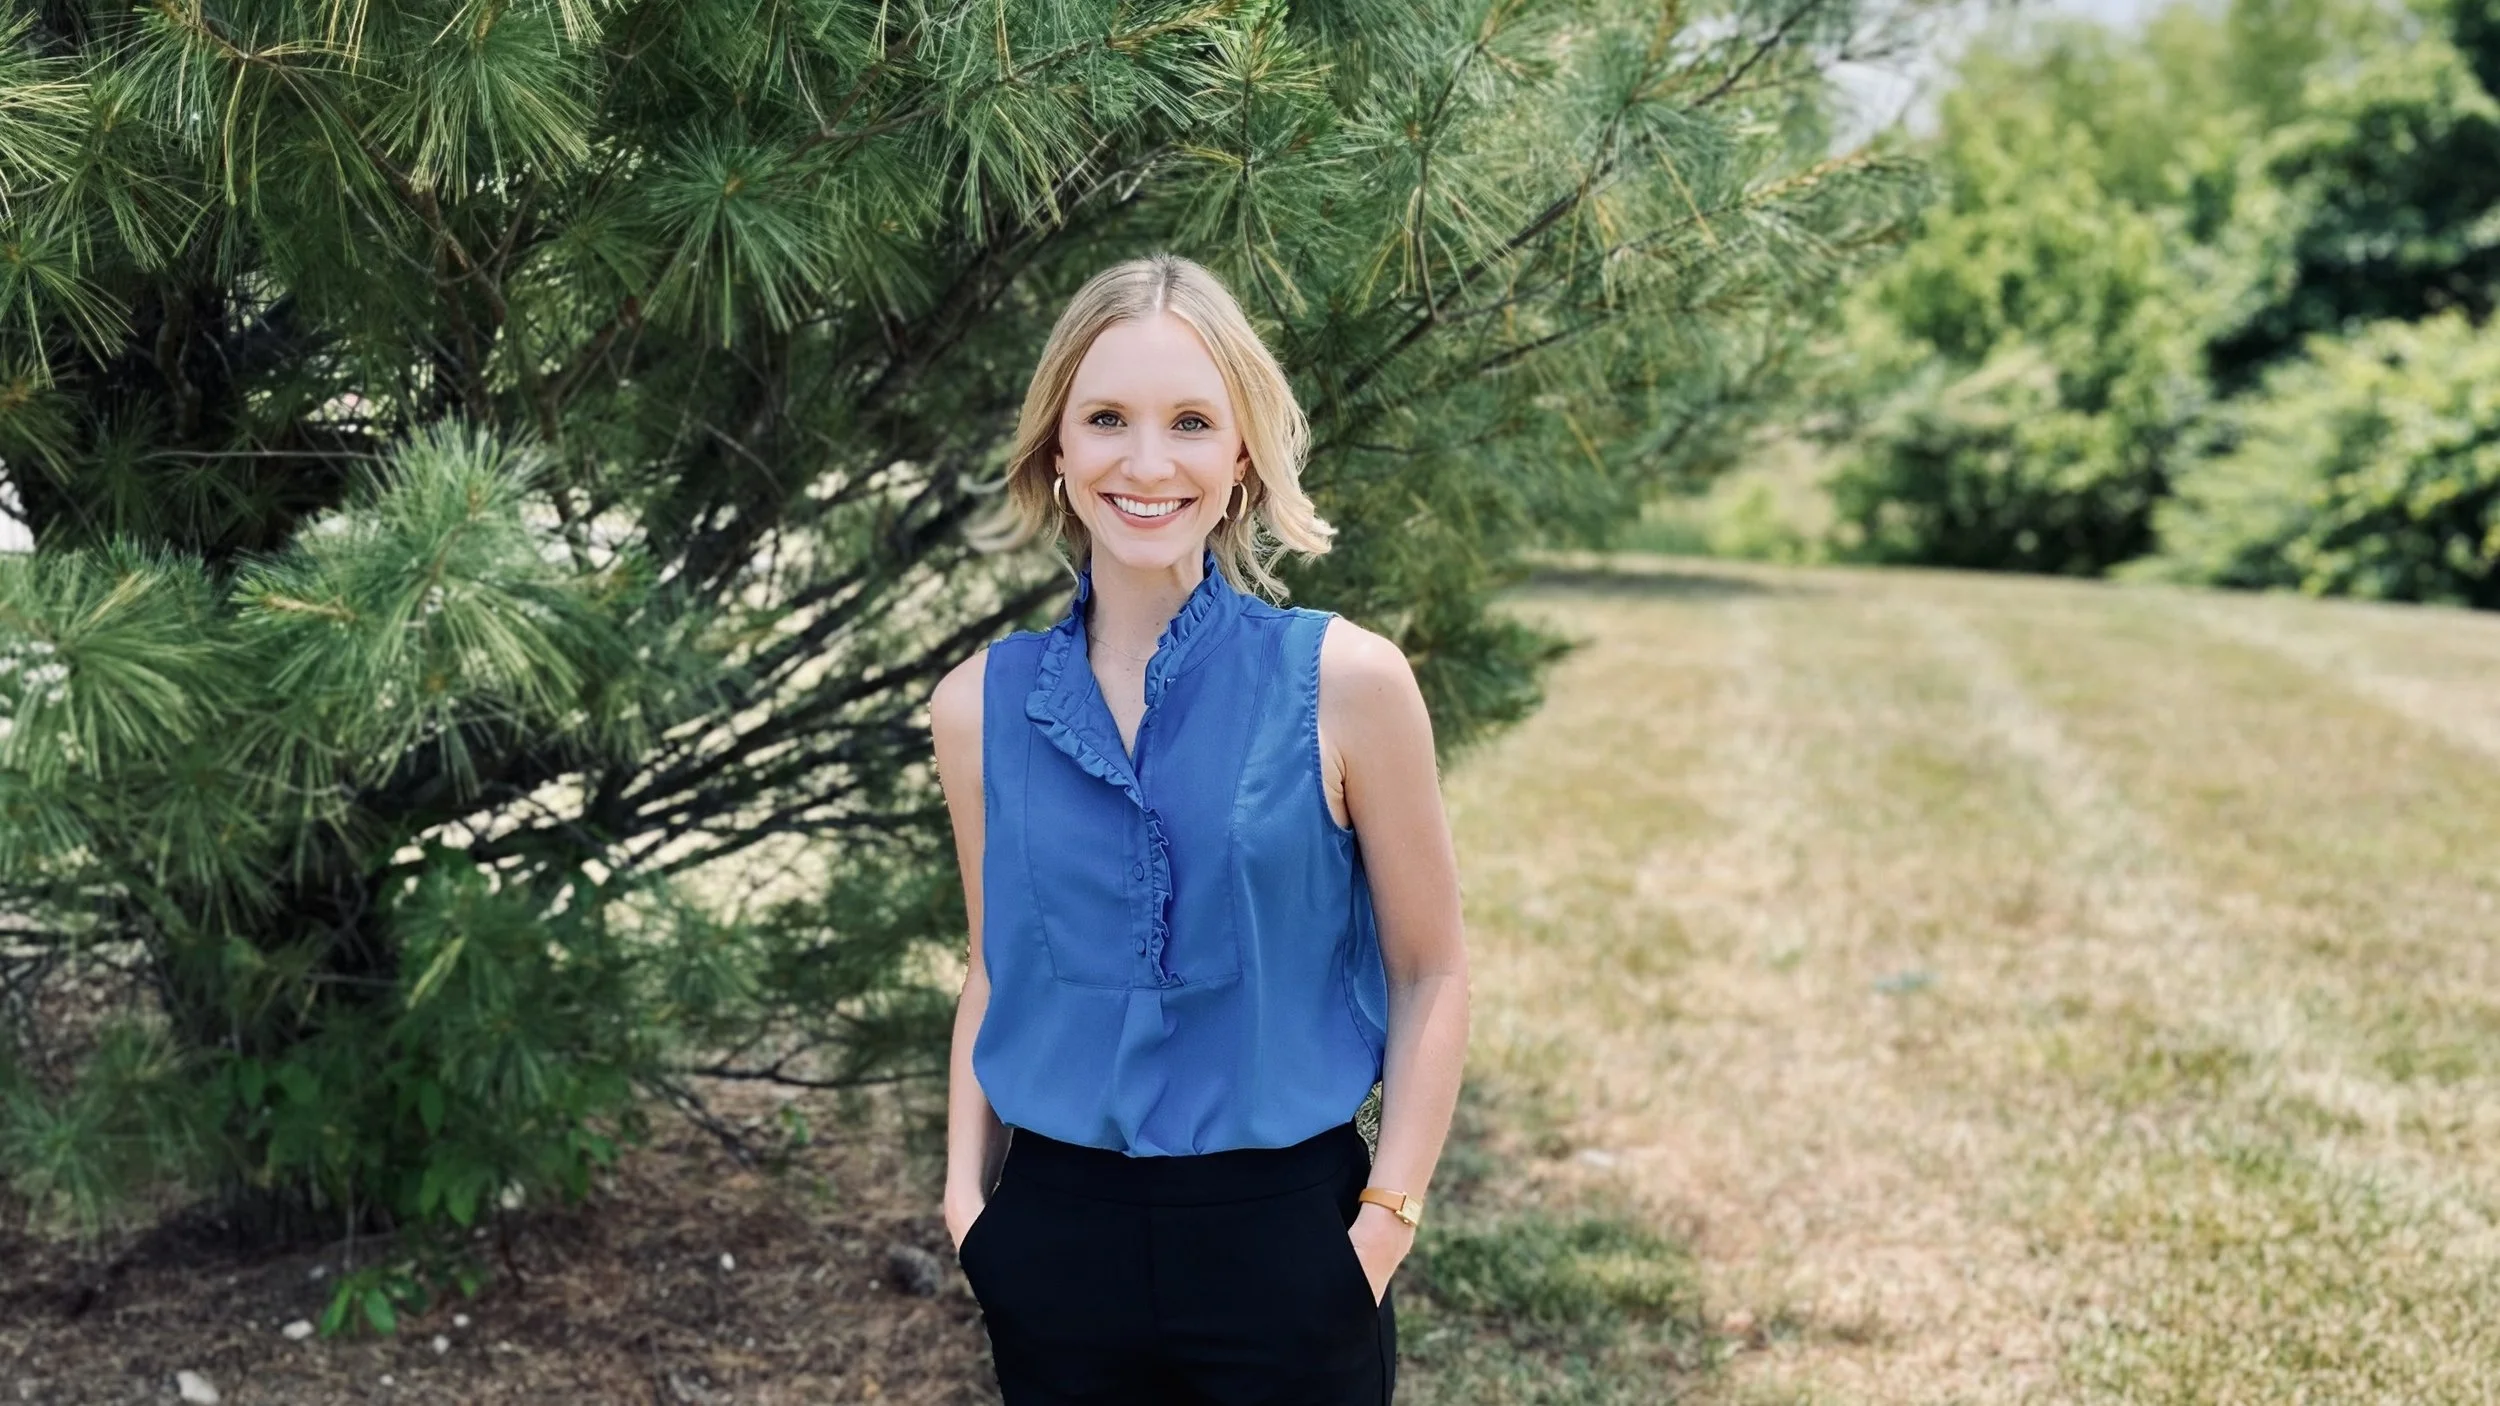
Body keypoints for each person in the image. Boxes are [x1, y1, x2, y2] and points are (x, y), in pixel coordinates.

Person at [924, 252, 1472, 1405]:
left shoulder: (1346, 682)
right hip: (1054, 1241)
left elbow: (1431, 968)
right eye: (1107, 417)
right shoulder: (976, 705)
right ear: (1058, 449)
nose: (1146, 460)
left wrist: (1383, 1225)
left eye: (1189, 420)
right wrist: (967, 1206)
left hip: (1287, 1245)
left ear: (1239, 455)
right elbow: (993, 965)